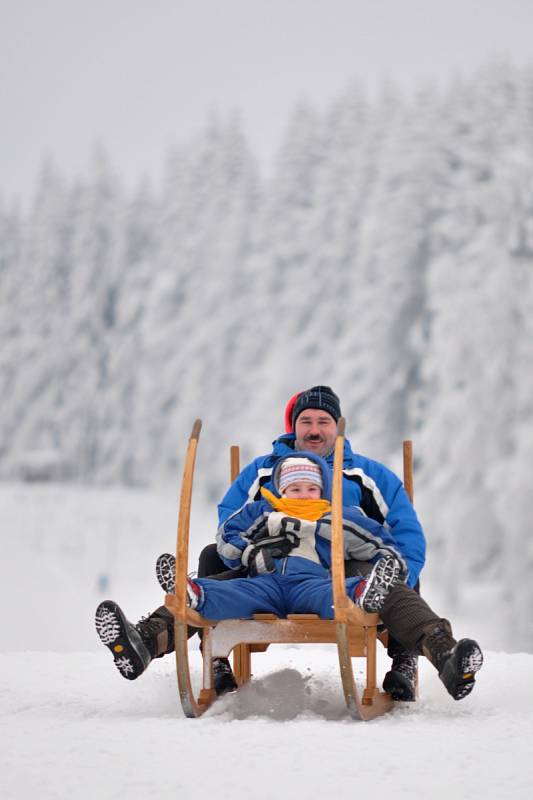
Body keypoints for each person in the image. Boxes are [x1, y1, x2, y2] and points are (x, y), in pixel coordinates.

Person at [97, 454, 483, 701]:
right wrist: (246, 548)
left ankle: (383, 608)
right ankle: (177, 606)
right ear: (280, 488)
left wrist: (390, 563)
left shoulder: (338, 513)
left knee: (340, 593)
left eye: (311, 487)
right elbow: (227, 533)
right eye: (295, 487)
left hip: (314, 579)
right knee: (222, 590)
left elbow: (378, 539)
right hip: (262, 579)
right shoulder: (262, 510)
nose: (303, 492)